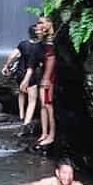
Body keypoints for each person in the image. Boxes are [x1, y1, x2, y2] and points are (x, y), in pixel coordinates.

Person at [3, 28, 44, 126]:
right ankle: (26, 123)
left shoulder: (23, 44)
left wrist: (6, 66)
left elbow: (13, 55)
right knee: (32, 100)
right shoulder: (39, 47)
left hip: (19, 73)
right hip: (31, 75)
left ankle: (21, 115)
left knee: (21, 92)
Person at [36, 17, 56, 148]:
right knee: (43, 104)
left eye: (42, 22)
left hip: (50, 75)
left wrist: (46, 78)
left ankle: (52, 135)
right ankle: (44, 133)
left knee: (48, 105)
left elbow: (52, 59)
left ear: (50, 23)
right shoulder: (45, 38)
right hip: (44, 73)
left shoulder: (51, 39)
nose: (39, 25)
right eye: (38, 22)